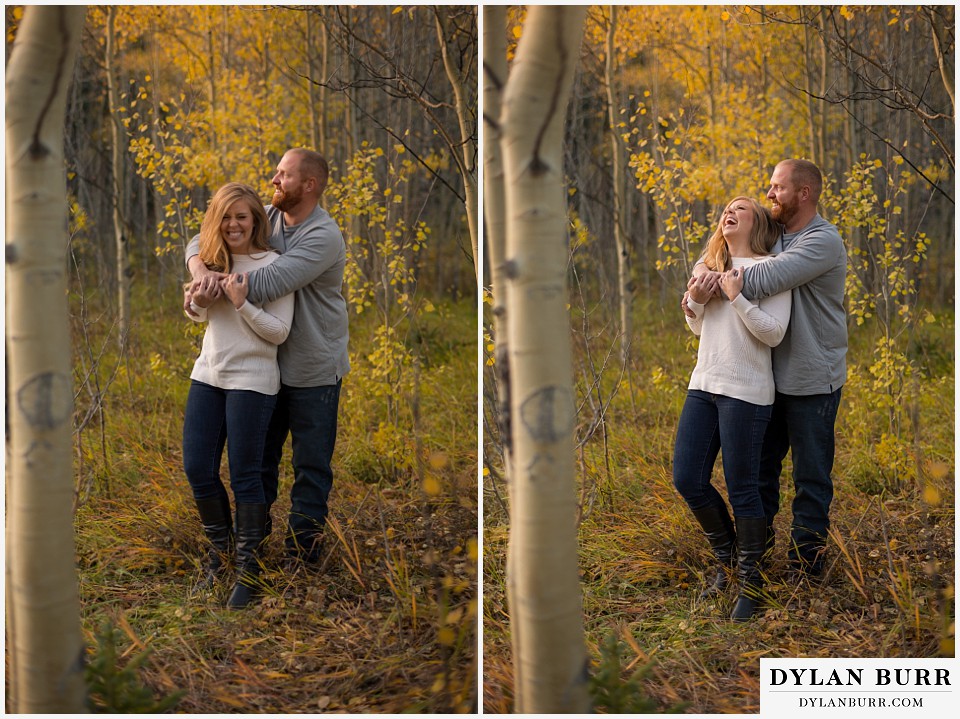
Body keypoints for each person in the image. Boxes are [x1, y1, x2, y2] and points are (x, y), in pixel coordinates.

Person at [185, 148, 350, 565]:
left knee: (310, 466)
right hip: (266, 366)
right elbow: (208, 231)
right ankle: (250, 549)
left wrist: (209, 285)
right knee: (259, 463)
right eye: (276, 173)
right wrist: (199, 270)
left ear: (308, 185)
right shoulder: (271, 217)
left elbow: (267, 281)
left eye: (283, 175)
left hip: (313, 365)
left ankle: (302, 553)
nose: (274, 180)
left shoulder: (322, 235)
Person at [684, 159, 847, 580]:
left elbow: (755, 281)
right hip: (766, 379)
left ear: (804, 193)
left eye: (777, 187)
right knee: (760, 474)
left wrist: (703, 278)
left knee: (810, 477)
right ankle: (755, 560)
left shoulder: (821, 241)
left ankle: (806, 565)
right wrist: (702, 268)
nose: (770, 194)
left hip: (812, 377)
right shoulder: (775, 238)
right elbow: (734, 253)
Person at [674, 196, 791, 621]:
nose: (730, 211)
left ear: (756, 221)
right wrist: (698, 302)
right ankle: (727, 561)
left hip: (747, 391)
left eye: (740, 208)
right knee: (687, 477)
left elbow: (774, 334)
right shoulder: (709, 267)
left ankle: (752, 583)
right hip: (704, 384)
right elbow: (698, 328)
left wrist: (738, 298)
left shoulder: (771, 270)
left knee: (743, 488)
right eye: (727, 208)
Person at [183, 182, 294, 608]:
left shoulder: (273, 265)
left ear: (255, 221)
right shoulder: (211, 263)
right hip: (208, 375)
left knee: (246, 474)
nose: (233, 224)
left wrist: (243, 303)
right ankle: (218, 556)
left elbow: (279, 332)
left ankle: (250, 569)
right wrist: (200, 300)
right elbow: (197, 317)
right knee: (197, 467)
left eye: (242, 217)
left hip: (254, 380)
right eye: (226, 217)